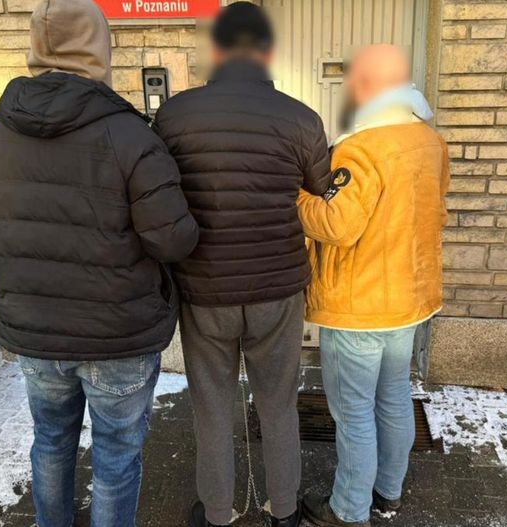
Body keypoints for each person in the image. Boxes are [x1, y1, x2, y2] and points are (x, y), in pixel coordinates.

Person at [0, 0, 198, 525]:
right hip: (119, 335)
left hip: (37, 333)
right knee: (116, 458)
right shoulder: (133, 137)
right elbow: (173, 241)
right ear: (99, 50)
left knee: (50, 442)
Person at [153, 3, 331, 526]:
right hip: (277, 287)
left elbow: (157, 193)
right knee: (278, 402)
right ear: (266, 50)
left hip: (204, 288)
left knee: (211, 405)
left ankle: (217, 511)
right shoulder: (301, 118)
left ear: (217, 49)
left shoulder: (174, 116)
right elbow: (321, 189)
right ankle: (284, 509)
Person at [296, 44, 449, 527]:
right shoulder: (429, 141)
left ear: (366, 84)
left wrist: (298, 196)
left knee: (354, 412)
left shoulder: (362, 147)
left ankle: (347, 509)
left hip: (359, 305)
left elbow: (336, 224)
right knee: (394, 396)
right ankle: (388, 492)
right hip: (409, 298)